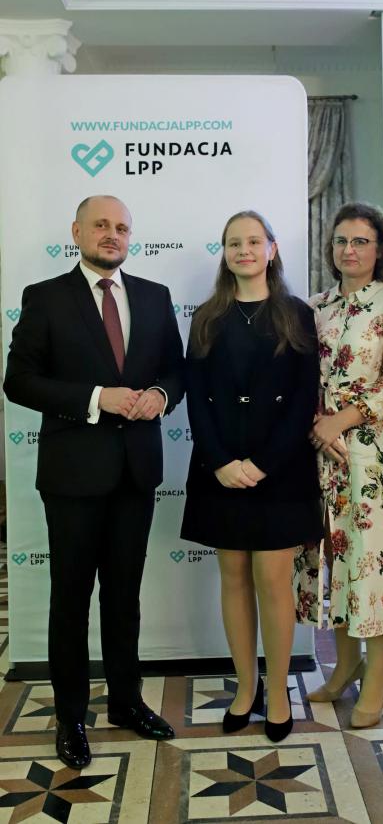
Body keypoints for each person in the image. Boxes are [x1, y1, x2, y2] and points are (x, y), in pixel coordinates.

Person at [4, 195, 185, 769]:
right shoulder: (45, 297)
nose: (112, 234)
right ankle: (71, 717)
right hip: (73, 475)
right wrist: (94, 398)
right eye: (101, 225)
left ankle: (127, 703)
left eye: (122, 227)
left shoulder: (154, 296)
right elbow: (19, 381)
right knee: (71, 599)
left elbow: (176, 371)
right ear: (77, 231)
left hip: (136, 472)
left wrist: (161, 395)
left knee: (124, 596)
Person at [181, 209, 322, 743]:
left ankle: (278, 691)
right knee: (234, 577)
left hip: (280, 471)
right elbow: (196, 398)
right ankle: (246, 687)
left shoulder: (296, 314)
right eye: (233, 243)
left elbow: (304, 398)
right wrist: (221, 461)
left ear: (272, 249)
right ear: (224, 253)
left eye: (253, 241)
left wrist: (264, 463)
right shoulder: (206, 318)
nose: (244, 250)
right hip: (219, 470)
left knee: (273, 581)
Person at [295, 202, 383, 728]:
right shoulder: (313, 307)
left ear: (380, 250)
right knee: (334, 561)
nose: (349, 250)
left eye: (360, 242)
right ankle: (344, 665)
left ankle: (377, 677)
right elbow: (297, 379)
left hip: (374, 458)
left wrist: (339, 422)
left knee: (374, 563)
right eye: (341, 241)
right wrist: (316, 424)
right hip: (320, 453)